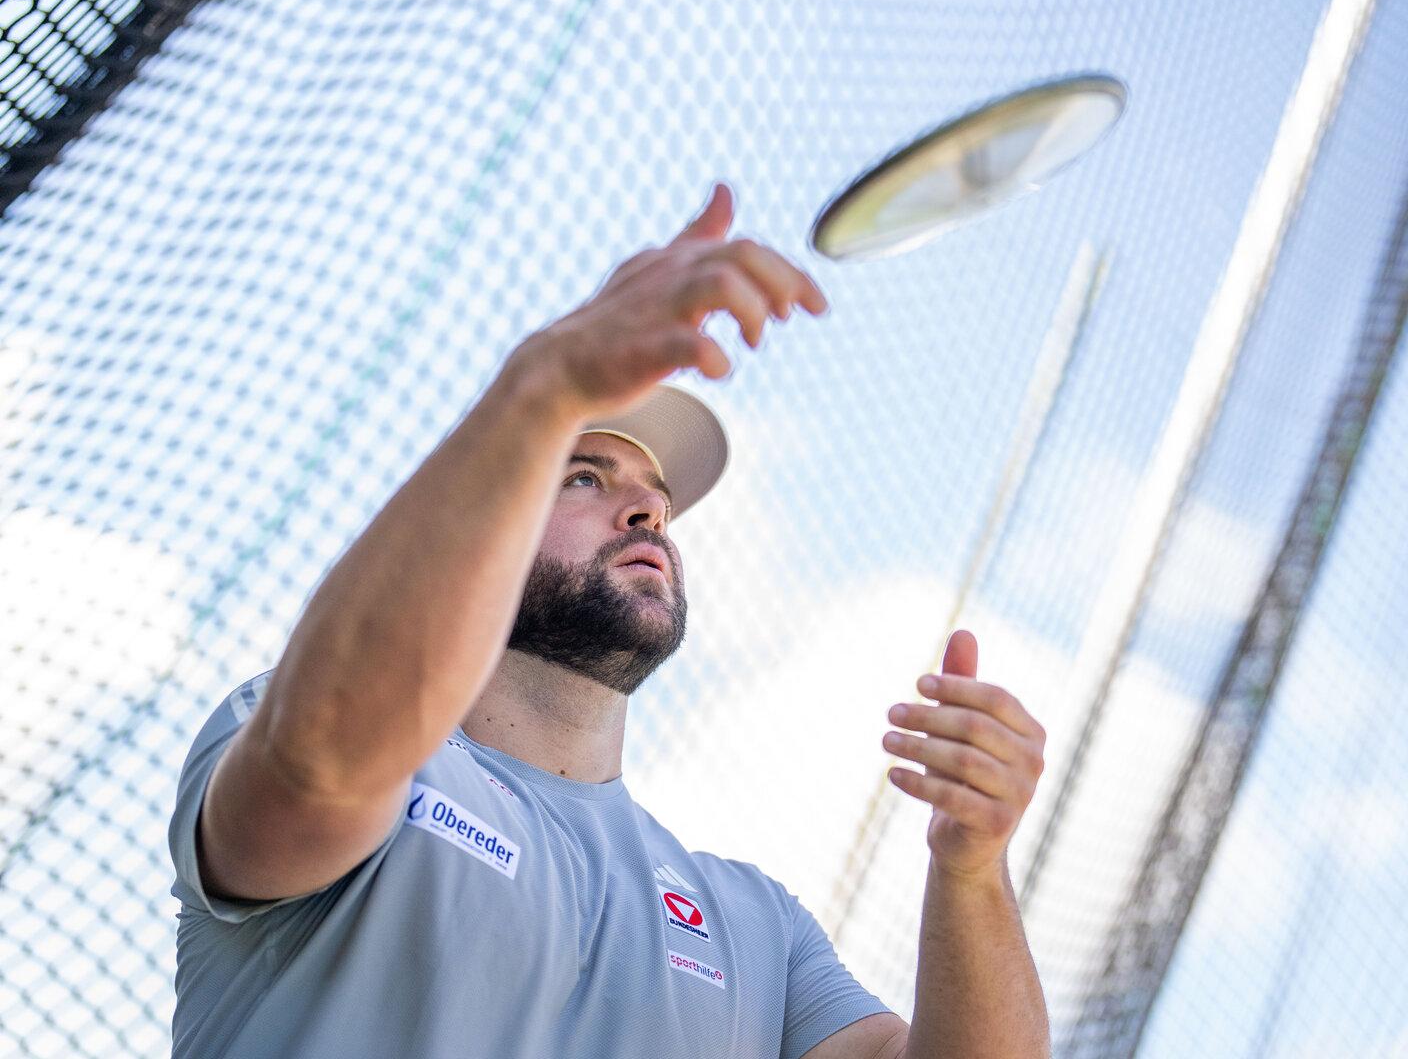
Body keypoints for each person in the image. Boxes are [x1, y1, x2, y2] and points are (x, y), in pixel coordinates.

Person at [168, 181, 1052, 1058]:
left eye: (657, 503)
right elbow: (318, 764)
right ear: (489, 529)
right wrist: (546, 382)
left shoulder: (759, 929)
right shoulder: (320, 733)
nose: (644, 513)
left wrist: (972, 871)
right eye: (585, 477)